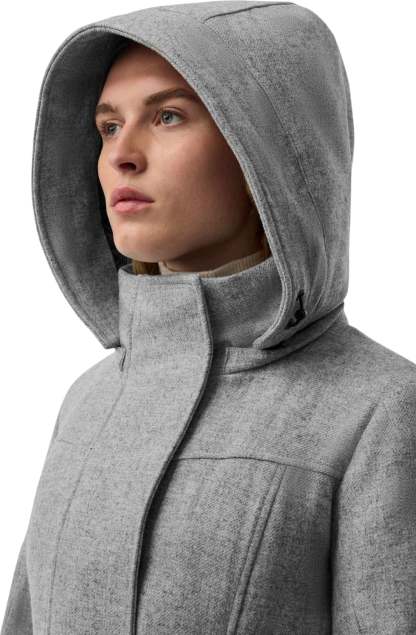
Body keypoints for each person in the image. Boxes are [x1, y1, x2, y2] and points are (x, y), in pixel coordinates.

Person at [1, 2, 415, 633]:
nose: (121, 155)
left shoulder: (379, 410)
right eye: (108, 127)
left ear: (265, 152)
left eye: (168, 116)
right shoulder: (88, 400)